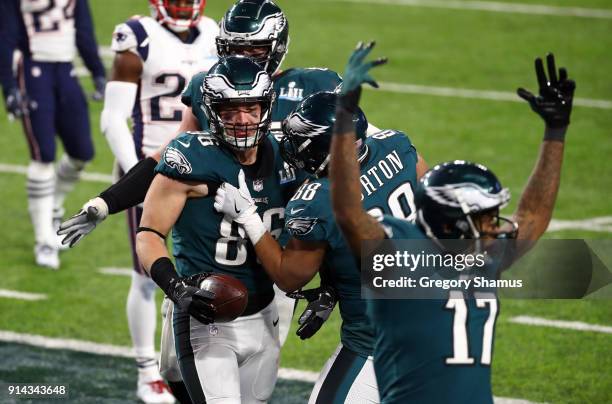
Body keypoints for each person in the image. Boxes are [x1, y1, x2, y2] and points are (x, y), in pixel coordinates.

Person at [59, 0, 357, 345]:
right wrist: (106, 203)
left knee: (257, 366)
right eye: (235, 48)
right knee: (185, 363)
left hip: (284, 242)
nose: (245, 57)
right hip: (219, 240)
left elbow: (351, 170)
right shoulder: (209, 88)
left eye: (255, 48)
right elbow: (170, 157)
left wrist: (333, 282)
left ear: (277, 46)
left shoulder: (314, 87)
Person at [327, 42, 575, 403]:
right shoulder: (399, 258)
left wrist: (556, 131)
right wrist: (344, 116)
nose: (495, 226)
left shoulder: (480, 255)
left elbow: (532, 217)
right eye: (484, 217)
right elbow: (349, 213)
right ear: (453, 222)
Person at [211, 90, 428, 403]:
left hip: (377, 343)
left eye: (302, 141)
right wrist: (334, 285)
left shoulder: (318, 198)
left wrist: (248, 216)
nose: (294, 147)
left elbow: (289, 276)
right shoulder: (398, 146)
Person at [136, 55, 304, 404]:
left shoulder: (292, 154)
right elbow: (149, 234)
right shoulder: (191, 156)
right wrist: (176, 287)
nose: (242, 119)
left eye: (251, 107)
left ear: (267, 107)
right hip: (206, 315)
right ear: (212, 111)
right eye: (229, 110)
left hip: (266, 315)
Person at [100, 0, 217, 401]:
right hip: (150, 166)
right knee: (147, 275)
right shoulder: (138, 37)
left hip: (202, 170)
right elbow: (112, 118)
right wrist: (142, 178)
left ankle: (194, 357)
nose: (184, 7)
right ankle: (146, 370)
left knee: (201, 266)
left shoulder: (216, 33)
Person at [0, 0, 105, 269]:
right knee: (43, 154)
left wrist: (97, 71)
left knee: (82, 152)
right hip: (33, 70)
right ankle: (44, 240)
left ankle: (54, 207)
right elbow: (7, 34)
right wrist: (9, 87)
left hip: (65, 70)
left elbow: (83, 29)